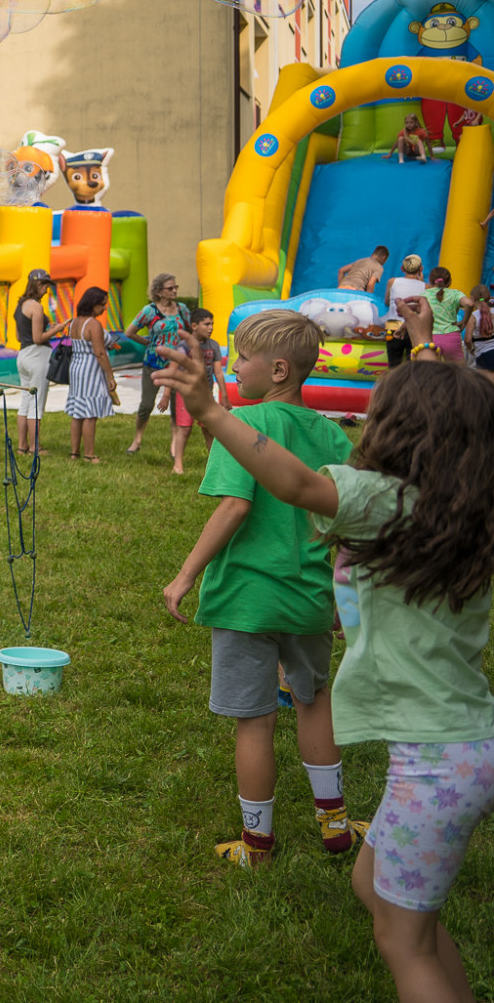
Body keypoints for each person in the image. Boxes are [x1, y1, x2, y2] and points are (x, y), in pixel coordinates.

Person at [158, 352, 494, 1003]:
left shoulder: (382, 501)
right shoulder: (465, 508)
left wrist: (212, 412)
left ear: (400, 426)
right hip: (463, 745)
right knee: (372, 888)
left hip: (436, 763)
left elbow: (295, 485)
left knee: (405, 942)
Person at [160, 310, 359, 868]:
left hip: (248, 600)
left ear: (275, 370)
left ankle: (258, 846)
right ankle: (335, 825)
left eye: (241, 357)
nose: (233, 365)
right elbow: (346, 521)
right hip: (312, 599)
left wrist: (185, 574)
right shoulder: (331, 434)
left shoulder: (243, 428)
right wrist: (343, 596)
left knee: (256, 720)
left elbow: (235, 505)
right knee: (314, 701)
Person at [160, 307, 226, 475]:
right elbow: (172, 370)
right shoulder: (183, 347)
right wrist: (166, 395)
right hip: (186, 395)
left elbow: (218, 371)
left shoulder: (214, 346)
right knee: (184, 429)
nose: (211, 327)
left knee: (209, 429)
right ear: (194, 326)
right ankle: (178, 464)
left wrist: (224, 395)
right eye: (207, 324)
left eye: (212, 324)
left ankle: (215, 464)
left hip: (206, 394)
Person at [124, 273, 184, 455]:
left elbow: (189, 331)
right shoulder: (149, 311)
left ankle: (175, 445)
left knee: (176, 407)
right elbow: (130, 332)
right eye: (170, 288)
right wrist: (150, 343)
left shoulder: (182, 309)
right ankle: (137, 439)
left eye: (176, 287)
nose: (174, 291)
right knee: (146, 405)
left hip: (177, 364)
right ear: (159, 292)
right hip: (153, 363)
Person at [64, 286, 119, 461]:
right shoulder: (93, 324)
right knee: (90, 413)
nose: (104, 308)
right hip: (91, 369)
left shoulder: (74, 322)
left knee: (77, 412)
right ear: (93, 304)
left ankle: (74, 452)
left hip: (76, 366)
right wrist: (110, 376)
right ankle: (89, 454)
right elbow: (100, 353)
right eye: (102, 304)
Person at [12, 269, 56, 455]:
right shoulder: (36, 307)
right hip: (37, 356)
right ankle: (35, 447)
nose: (46, 290)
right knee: (36, 404)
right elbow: (38, 338)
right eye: (45, 285)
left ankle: (22, 446)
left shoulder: (20, 305)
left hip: (23, 355)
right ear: (38, 284)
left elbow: (17, 335)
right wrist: (58, 328)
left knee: (25, 402)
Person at [424, 265, 468, 363]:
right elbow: (469, 303)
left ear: (430, 281)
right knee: (458, 373)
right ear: (449, 281)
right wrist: (464, 321)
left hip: (431, 338)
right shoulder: (455, 294)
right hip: (451, 336)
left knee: (431, 373)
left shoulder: (424, 295)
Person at [464, 285, 494, 372]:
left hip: (482, 355)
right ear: (489, 297)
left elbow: (467, 340)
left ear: (472, 298)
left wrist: (471, 350)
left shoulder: (473, 317)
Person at [385, 255, 425, 321]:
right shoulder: (426, 287)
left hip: (393, 324)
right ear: (421, 269)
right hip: (413, 326)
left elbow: (387, 302)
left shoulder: (392, 282)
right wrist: (422, 282)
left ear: (402, 268)